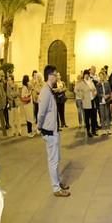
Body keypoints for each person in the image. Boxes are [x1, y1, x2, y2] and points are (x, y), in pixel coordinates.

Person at [37, 65, 70, 197]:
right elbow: (41, 112)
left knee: (56, 158)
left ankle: (57, 182)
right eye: (55, 74)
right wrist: (39, 126)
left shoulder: (49, 90)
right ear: (50, 76)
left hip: (53, 129)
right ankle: (56, 188)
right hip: (49, 131)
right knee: (53, 160)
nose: (57, 76)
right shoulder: (45, 91)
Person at [75, 70, 98, 138]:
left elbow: (95, 89)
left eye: (88, 74)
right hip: (86, 102)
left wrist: (95, 93)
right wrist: (80, 95)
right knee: (87, 118)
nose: (87, 75)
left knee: (93, 117)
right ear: (84, 75)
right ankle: (88, 131)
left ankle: (93, 131)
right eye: (86, 74)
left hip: (92, 100)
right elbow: (75, 90)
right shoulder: (81, 83)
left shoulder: (91, 81)